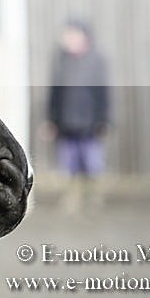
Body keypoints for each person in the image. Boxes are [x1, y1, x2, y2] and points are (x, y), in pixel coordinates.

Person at [47, 18, 110, 212]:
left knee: (92, 162)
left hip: (90, 124)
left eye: (72, 34)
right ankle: (71, 197)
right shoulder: (62, 62)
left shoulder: (96, 61)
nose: (67, 38)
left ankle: (94, 197)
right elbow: (55, 94)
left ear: (84, 37)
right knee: (68, 163)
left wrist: (103, 119)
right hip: (66, 124)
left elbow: (103, 94)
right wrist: (51, 120)